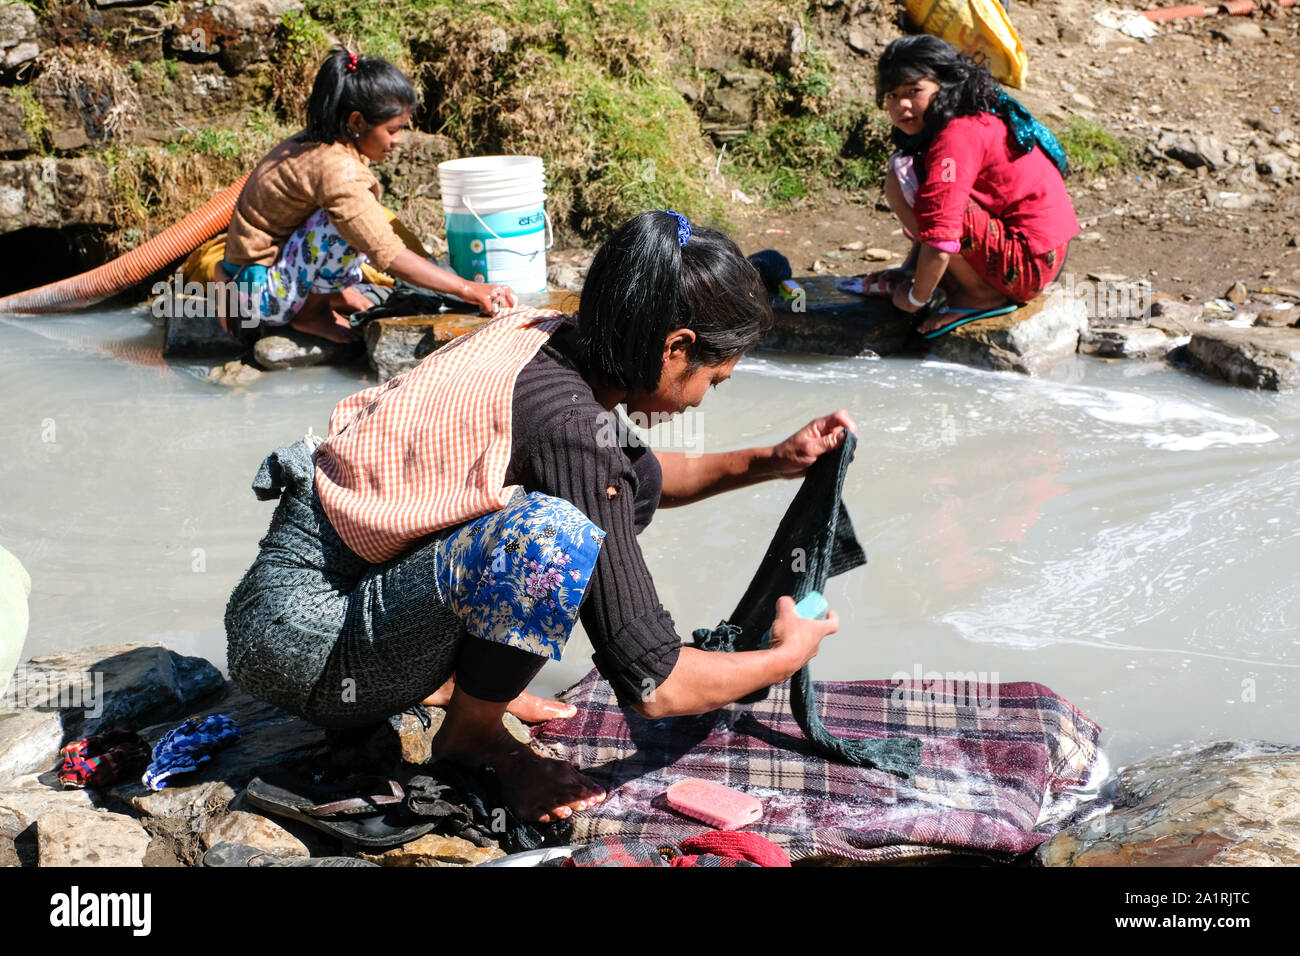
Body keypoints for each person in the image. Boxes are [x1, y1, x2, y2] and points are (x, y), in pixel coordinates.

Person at [225, 209, 855, 823]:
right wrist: (784, 656)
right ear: (674, 348)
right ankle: (472, 738)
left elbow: (634, 477)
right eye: (712, 380)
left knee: (603, 501)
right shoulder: (571, 428)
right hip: (309, 647)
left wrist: (773, 459)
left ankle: (457, 688)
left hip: (285, 609)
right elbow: (656, 686)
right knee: (551, 538)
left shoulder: (543, 337)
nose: (703, 398)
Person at [215, 48, 515, 343]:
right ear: (357, 122)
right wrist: (469, 289)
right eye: (393, 130)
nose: (398, 140)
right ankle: (311, 315)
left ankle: (326, 297)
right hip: (258, 299)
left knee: (354, 219)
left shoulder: (322, 141)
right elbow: (386, 253)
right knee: (342, 228)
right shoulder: (338, 170)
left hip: (249, 273)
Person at [852, 35, 1079, 335]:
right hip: (1038, 255)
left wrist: (914, 299)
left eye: (914, 91)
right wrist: (911, 271)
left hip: (1029, 266)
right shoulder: (965, 114)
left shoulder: (956, 135)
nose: (902, 105)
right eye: (892, 95)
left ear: (945, 85)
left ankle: (982, 294)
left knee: (922, 187)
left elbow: (942, 228)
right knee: (907, 173)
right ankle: (961, 279)